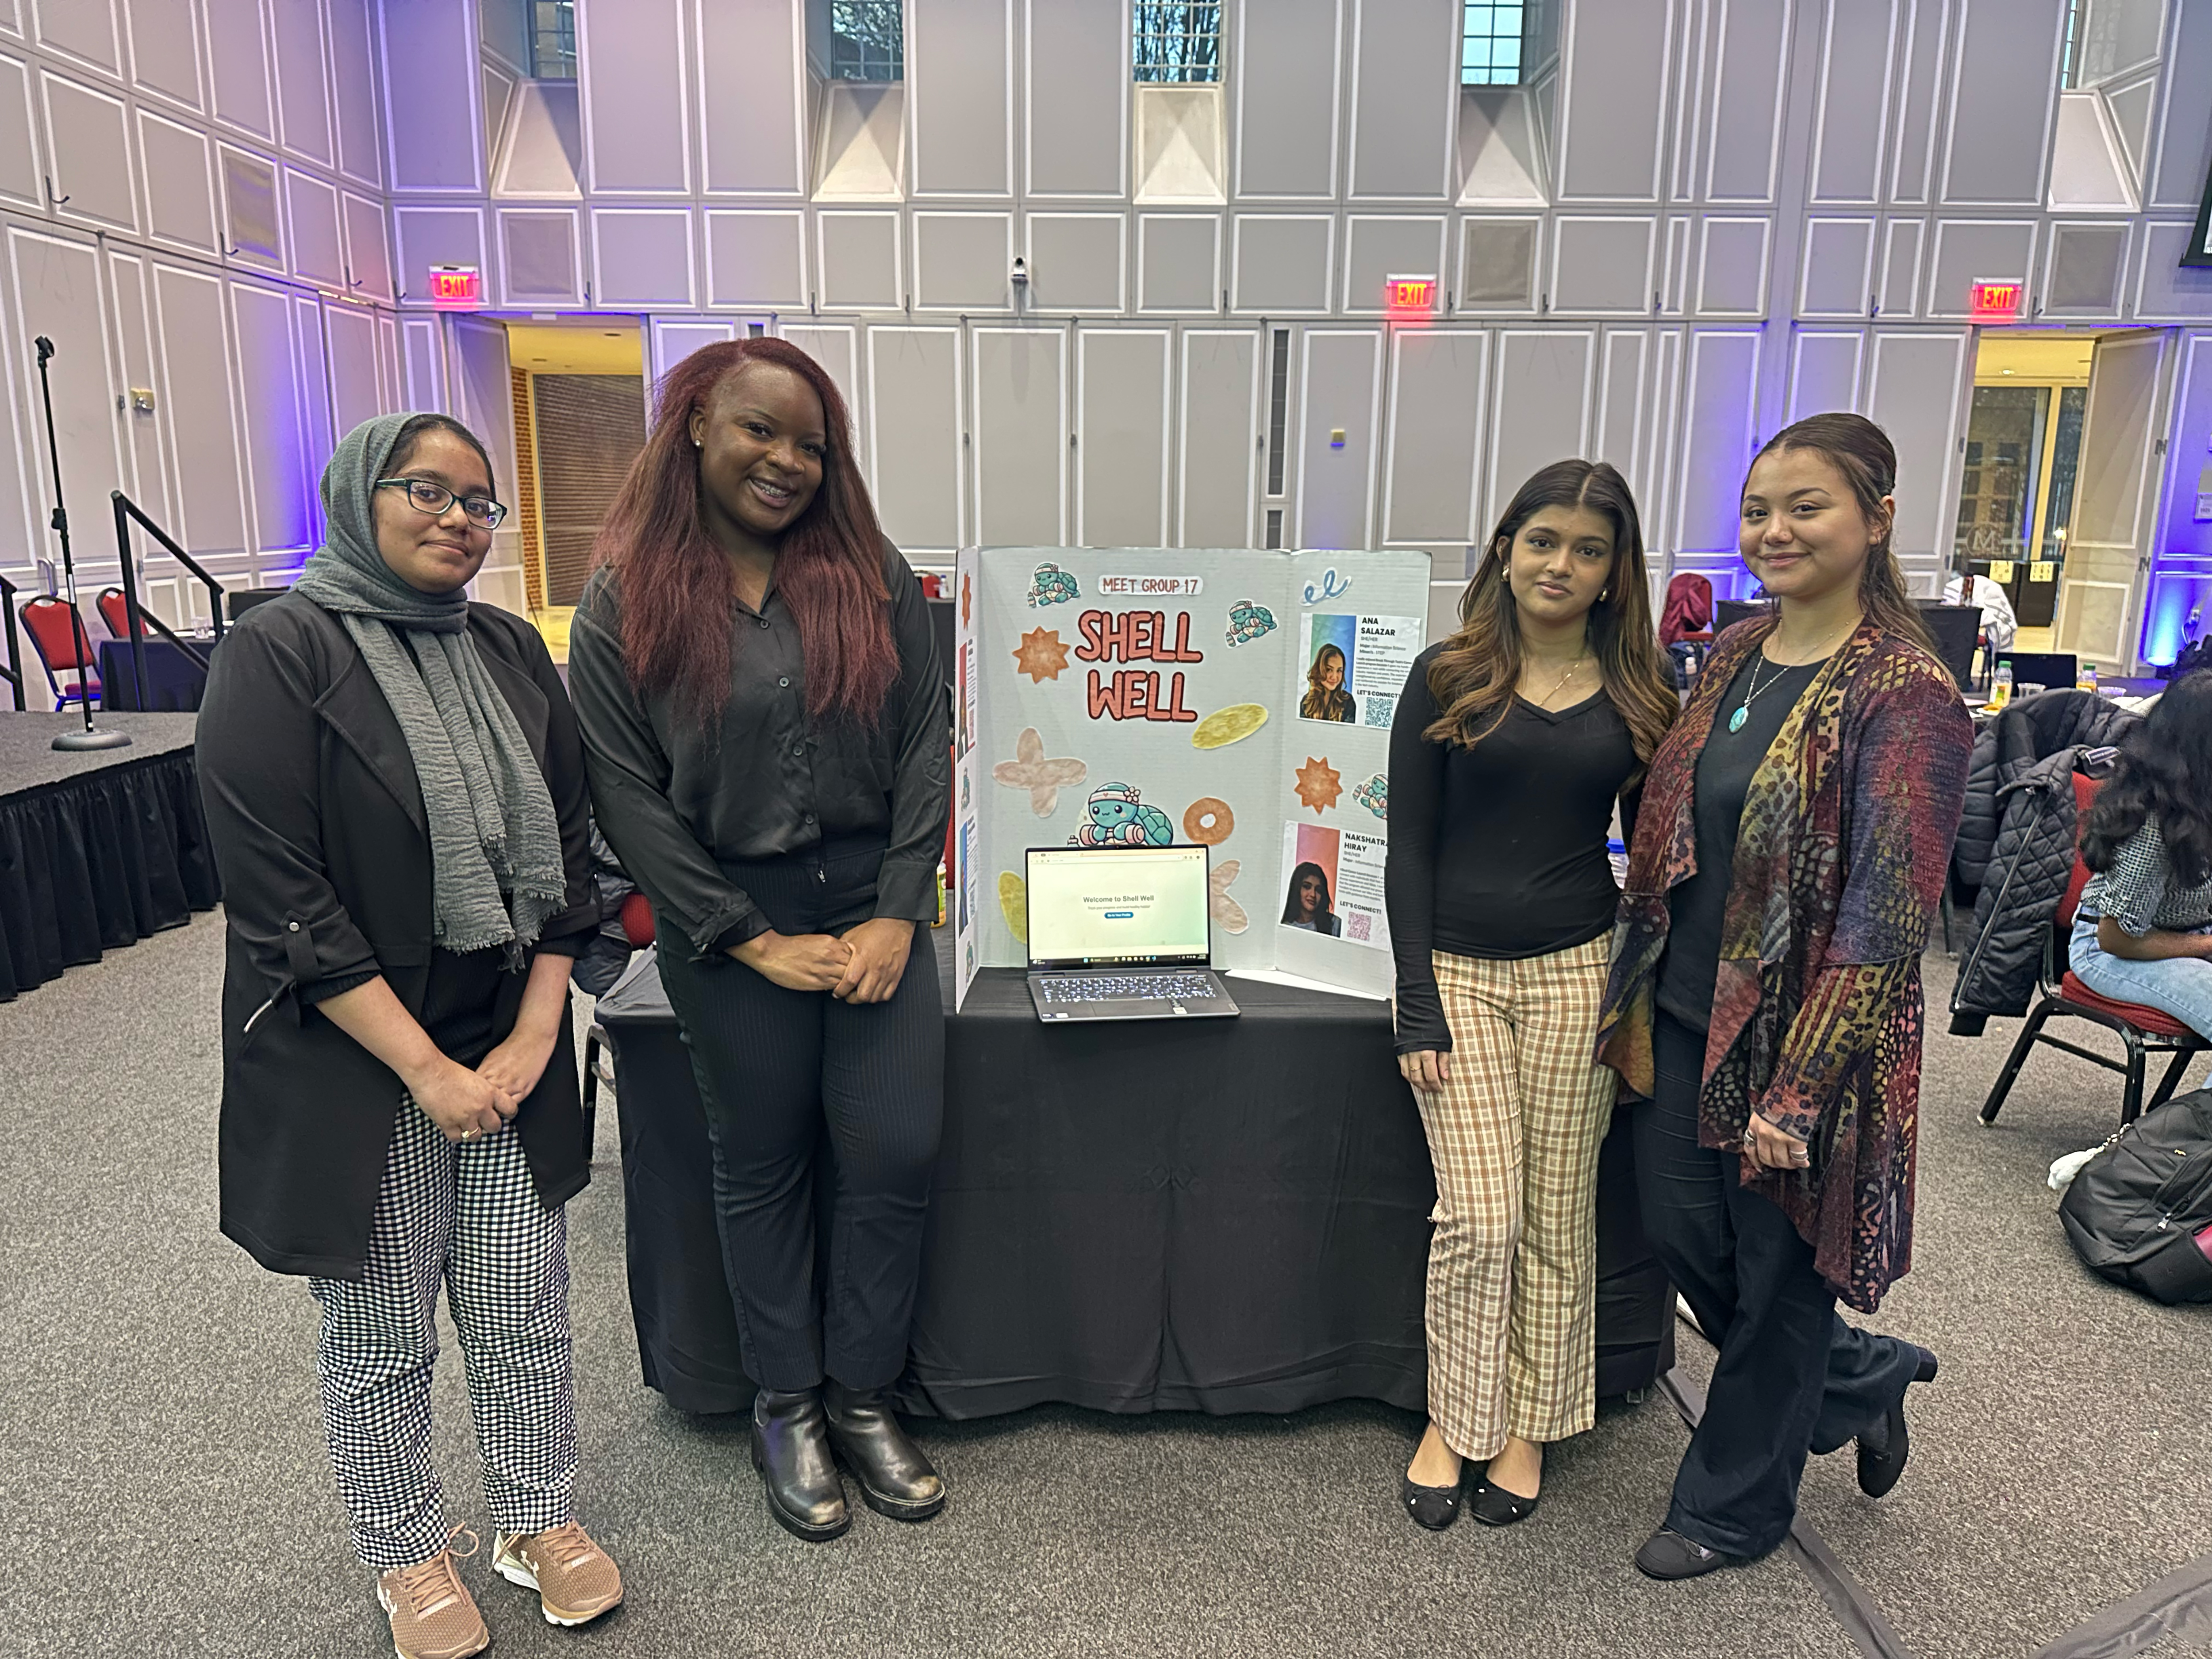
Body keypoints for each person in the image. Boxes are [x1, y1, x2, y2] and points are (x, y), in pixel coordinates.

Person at [197, 414, 621, 1659]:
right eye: (426, 490)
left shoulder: (504, 647)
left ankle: (533, 1517)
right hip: (356, 1058)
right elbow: (284, 900)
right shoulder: (278, 652)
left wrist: (541, 1025)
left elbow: (571, 855)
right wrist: (425, 1068)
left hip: (505, 1041)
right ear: (359, 495)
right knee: (380, 1322)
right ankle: (403, 1545)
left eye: (481, 501)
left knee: (521, 1301)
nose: (458, 517)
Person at [567, 338, 951, 1544]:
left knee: (892, 1151)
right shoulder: (626, 596)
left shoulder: (870, 572)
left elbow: (928, 739)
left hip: (875, 897)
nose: (788, 460)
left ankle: (864, 1392)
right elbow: (624, 795)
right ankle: (785, 1401)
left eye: (812, 444)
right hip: (725, 912)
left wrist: (899, 906)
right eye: (760, 431)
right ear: (693, 425)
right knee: (764, 1161)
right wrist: (744, 938)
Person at [1594, 412, 1973, 1580]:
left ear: (1876, 517)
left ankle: (1734, 1506)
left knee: (1778, 1277)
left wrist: (1802, 1092)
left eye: (1806, 506)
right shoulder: (1739, 654)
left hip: (1809, 1046)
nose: (1776, 530)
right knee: (1679, 1237)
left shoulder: (1905, 691)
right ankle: (1864, 1378)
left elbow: (1885, 916)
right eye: (1760, 509)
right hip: (1680, 1016)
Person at [1385, 458, 1678, 1531]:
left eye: (1588, 548)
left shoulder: (1644, 692)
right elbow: (1405, 846)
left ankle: (1526, 1425)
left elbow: (1658, 859)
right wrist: (1414, 996)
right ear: (1505, 547)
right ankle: (1454, 1419)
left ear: (1613, 572)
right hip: (1456, 974)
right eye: (1542, 539)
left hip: (1576, 971)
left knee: (1558, 1217)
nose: (1561, 563)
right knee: (1480, 1216)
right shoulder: (1446, 673)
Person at [2070, 671, 2212, 1052]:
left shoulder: (2201, 799)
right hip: (2112, 951)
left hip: (2188, 935)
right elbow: (2116, 938)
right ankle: (2189, 1117)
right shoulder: (2152, 824)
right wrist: (2205, 946)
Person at [1281, 861, 1343, 935]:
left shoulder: (1335, 924)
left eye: (1318, 890)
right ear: (1297, 889)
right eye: (1307, 887)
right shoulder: (1286, 928)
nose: (1313, 895)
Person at [1302, 641, 1355, 721]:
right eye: (1329, 670)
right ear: (1319, 670)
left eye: (1339, 670)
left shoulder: (1348, 702)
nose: (1334, 677)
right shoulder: (1306, 702)